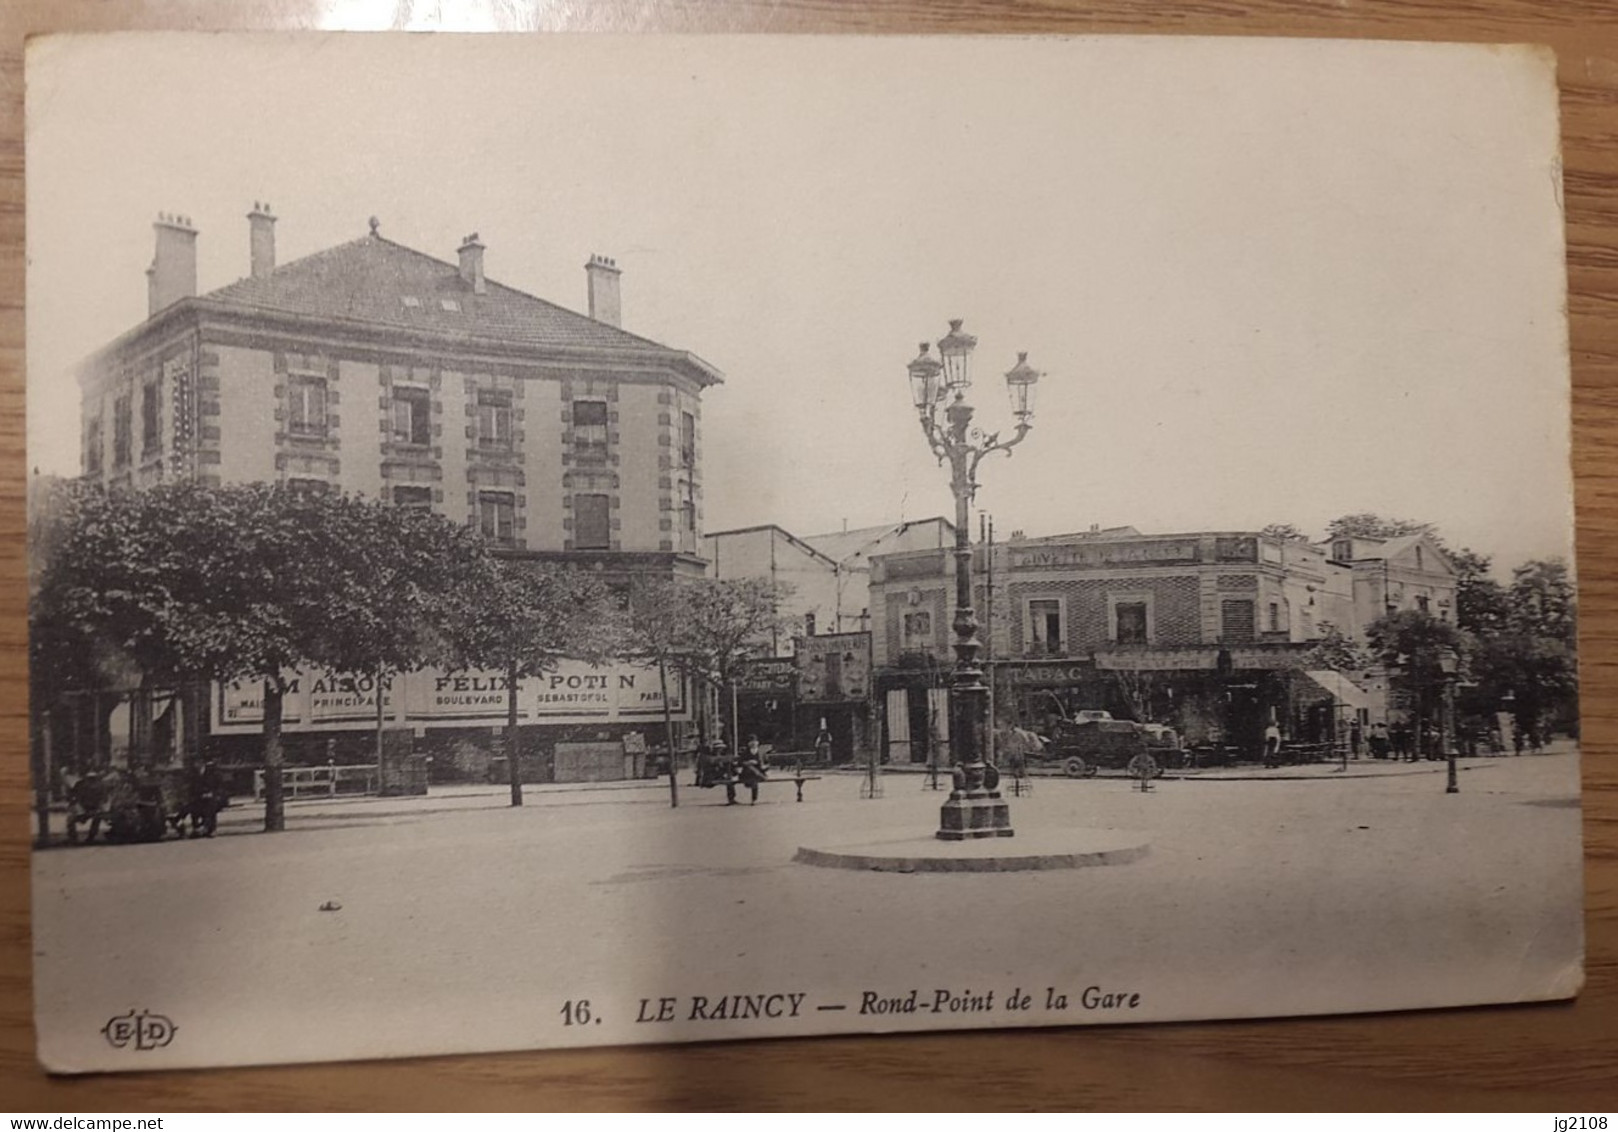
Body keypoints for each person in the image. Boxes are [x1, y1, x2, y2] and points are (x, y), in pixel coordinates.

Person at [67, 770, 107, 845]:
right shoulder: (81, 786)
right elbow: (74, 798)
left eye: (93, 779)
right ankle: (73, 837)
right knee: (70, 819)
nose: (91, 781)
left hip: (94, 808)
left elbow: (104, 799)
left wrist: (99, 807)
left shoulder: (101, 786)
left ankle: (91, 837)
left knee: (97, 817)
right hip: (82, 808)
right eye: (90, 779)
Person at [735, 736, 768, 805]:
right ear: (748, 744)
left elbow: (767, 764)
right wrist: (748, 762)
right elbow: (740, 763)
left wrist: (761, 765)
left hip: (758, 773)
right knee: (750, 769)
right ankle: (754, 799)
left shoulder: (761, 752)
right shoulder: (745, 752)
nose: (753, 743)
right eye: (751, 742)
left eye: (754, 742)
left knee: (754, 780)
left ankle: (754, 799)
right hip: (747, 773)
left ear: (757, 743)